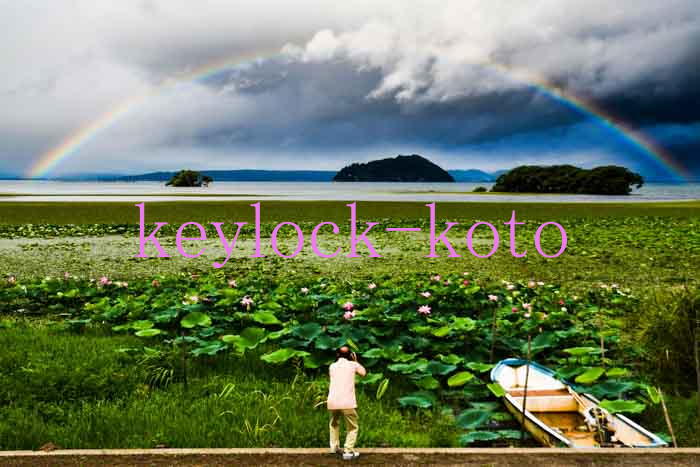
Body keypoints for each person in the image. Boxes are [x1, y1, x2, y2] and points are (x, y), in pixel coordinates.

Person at [327, 346, 366, 460]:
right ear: (350, 355)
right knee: (353, 427)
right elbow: (363, 373)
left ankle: (334, 448)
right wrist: (355, 361)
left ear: (337, 355)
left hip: (333, 401)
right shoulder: (353, 365)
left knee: (334, 423)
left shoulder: (332, 366)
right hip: (347, 402)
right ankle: (348, 451)